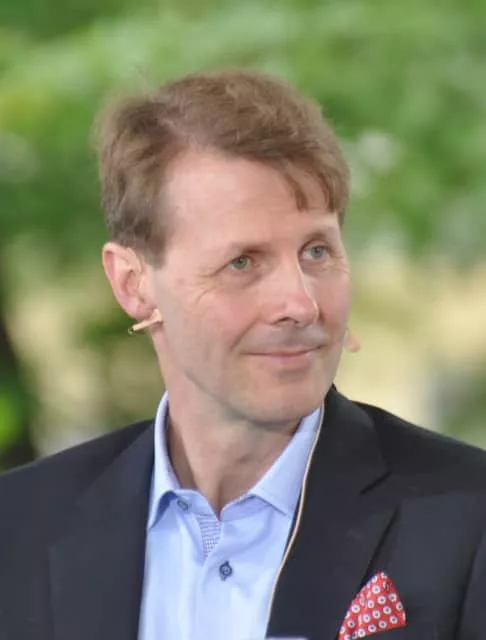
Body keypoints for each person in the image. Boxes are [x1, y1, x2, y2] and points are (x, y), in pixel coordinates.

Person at [0, 68, 485, 640]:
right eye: (243, 263)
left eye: (317, 251)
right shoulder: (20, 528)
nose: (300, 304)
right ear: (133, 283)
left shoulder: (467, 518)